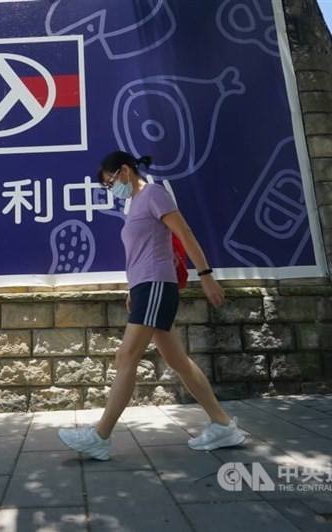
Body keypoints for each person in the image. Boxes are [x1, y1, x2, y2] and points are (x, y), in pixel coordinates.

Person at [58, 151, 246, 460]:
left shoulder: (154, 194)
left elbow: (184, 232)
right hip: (146, 287)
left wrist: (206, 275)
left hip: (157, 284)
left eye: (110, 182)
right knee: (177, 360)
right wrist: (133, 288)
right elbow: (142, 251)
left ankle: (100, 436)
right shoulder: (134, 204)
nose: (111, 189)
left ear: (125, 170)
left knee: (126, 355)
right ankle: (223, 425)